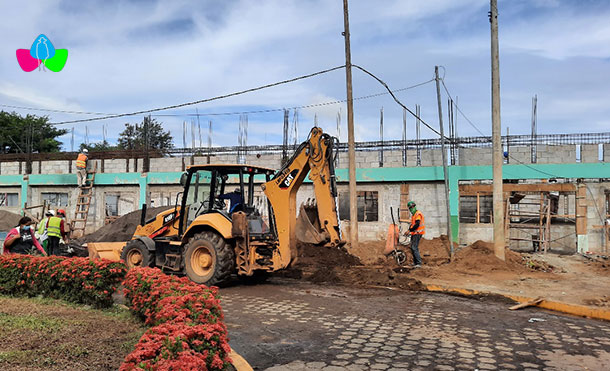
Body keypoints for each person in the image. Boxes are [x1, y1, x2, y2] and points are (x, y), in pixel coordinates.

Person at [405, 201, 425, 268]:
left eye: (412, 207)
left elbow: (417, 224)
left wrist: (409, 230)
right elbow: (412, 224)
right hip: (414, 233)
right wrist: (409, 230)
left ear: (414, 206)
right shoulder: (414, 215)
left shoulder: (418, 214)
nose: (411, 208)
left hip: (418, 233)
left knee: (414, 247)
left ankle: (419, 263)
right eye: (410, 208)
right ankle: (415, 263)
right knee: (413, 247)